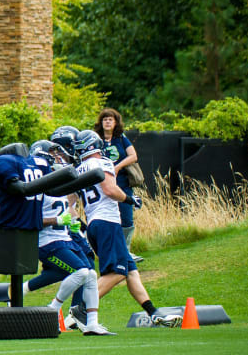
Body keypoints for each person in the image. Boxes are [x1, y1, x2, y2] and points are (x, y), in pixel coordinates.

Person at [75, 131, 179, 326]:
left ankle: (153, 312)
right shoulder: (102, 162)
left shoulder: (79, 168)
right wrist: (130, 199)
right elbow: (110, 189)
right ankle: (79, 309)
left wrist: (81, 223)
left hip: (94, 224)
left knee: (130, 270)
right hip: (108, 222)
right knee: (117, 273)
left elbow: (71, 203)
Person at [25, 140, 110, 335]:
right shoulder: (36, 187)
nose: (57, 159)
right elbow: (31, 219)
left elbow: (67, 208)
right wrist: (57, 220)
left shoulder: (57, 184)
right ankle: (53, 309)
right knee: (81, 272)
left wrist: (71, 222)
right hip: (48, 242)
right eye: (52, 155)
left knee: (90, 274)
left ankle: (91, 324)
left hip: (63, 238)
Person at [96, 108, 140, 249]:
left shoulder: (121, 138)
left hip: (122, 183)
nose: (107, 122)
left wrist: (118, 167)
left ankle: (126, 250)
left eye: (110, 119)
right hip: (102, 186)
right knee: (106, 219)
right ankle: (108, 249)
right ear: (101, 122)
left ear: (116, 122)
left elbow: (133, 156)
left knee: (126, 218)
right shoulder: (96, 139)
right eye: (105, 119)